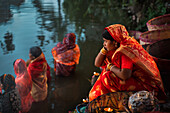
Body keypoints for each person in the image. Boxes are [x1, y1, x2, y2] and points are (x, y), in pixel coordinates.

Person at [89, 24, 166, 102]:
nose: (104, 44)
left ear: (115, 42)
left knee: (108, 76)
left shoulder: (125, 51)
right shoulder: (116, 46)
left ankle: (113, 100)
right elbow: (98, 64)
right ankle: (104, 98)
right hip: (135, 79)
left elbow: (125, 75)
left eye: (106, 41)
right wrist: (104, 49)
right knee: (107, 72)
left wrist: (111, 67)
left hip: (147, 87)